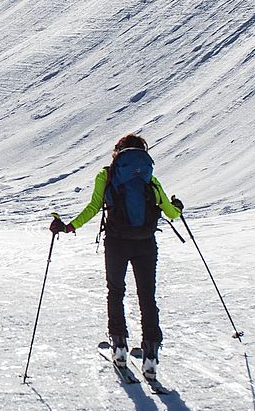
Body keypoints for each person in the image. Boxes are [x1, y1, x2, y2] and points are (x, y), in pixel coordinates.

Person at [50, 133, 183, 379]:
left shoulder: (107, 175)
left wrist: (69, 227)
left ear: (117, 151)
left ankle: (119, 346)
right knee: (147, 296)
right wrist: (177, 206)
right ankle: (151, 354)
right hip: (145, 243)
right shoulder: (149, 178)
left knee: (116, 291)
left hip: (116, 242)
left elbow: (93, 207)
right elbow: (171, 213)